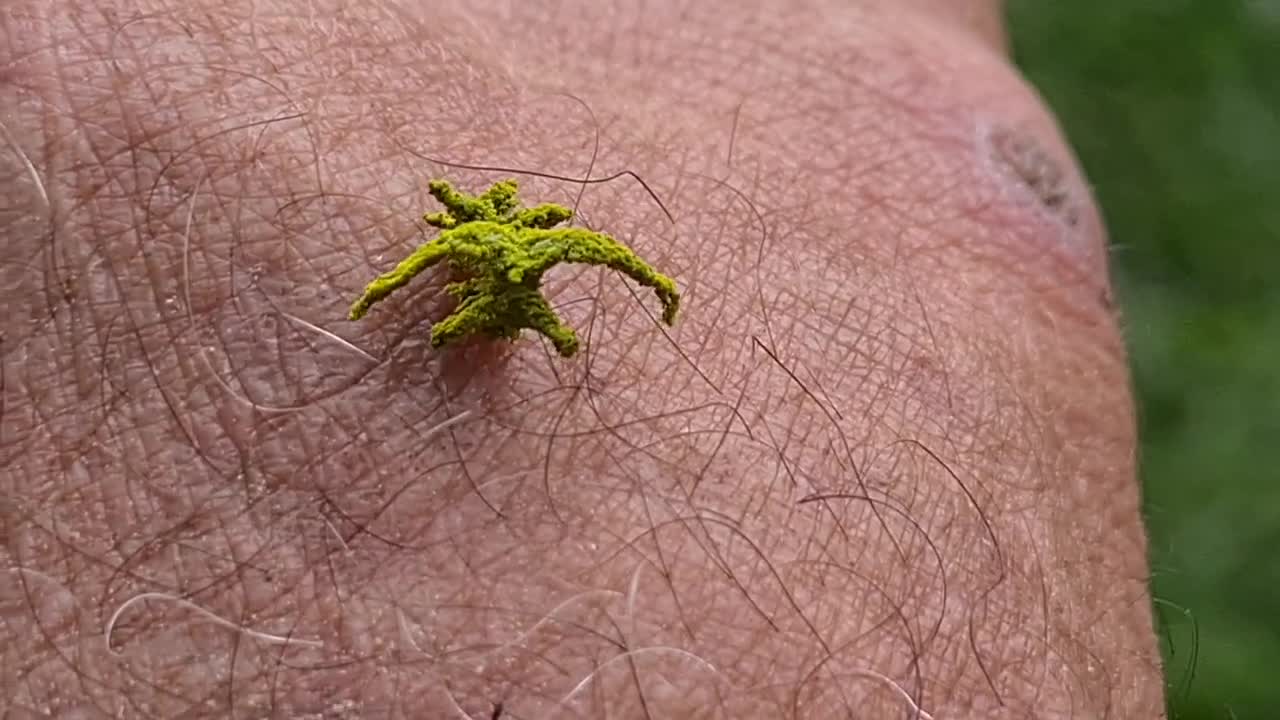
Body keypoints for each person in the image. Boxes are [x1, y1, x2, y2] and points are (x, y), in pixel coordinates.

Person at [0, 0, 1166, 717]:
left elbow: (462, 255)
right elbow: (586, 255)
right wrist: (642, 283)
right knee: (517, 329)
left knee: (497, 328)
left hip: (486, 317)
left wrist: (387, 287)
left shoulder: (482, 231)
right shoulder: (524, 233)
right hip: (497, 319)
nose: (497, 202)